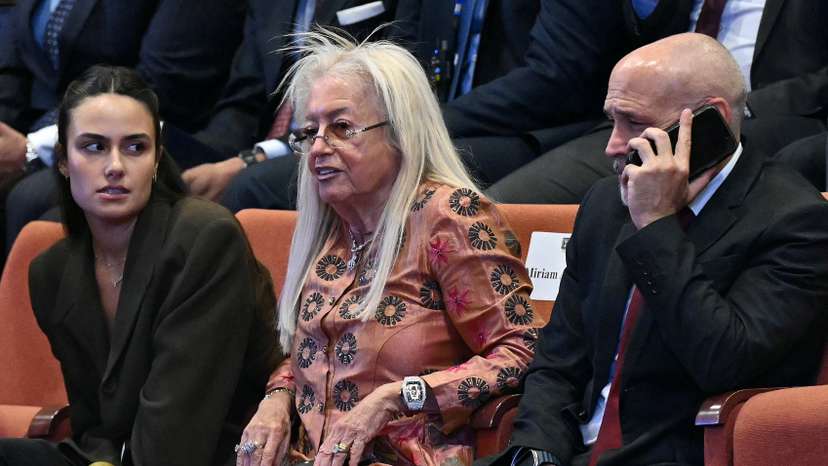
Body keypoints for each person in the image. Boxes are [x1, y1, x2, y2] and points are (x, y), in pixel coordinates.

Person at [477, 33, 828, 466]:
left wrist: (657, 225)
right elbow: (559, 357)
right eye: (611, 121)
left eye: (635, 124)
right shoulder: (607, 201)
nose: (612, 145)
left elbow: (724, 362)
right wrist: (538, 449)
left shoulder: (795, 220)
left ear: (707, 121)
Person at [234, 30, 540, 466]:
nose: (318, 147)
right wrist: (278, 397)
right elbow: (308, 351)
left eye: (341, 128)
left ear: (399, 132)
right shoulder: (329, 224)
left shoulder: (450, 216)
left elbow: (524, 349)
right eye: (309, 132)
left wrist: (398, 397)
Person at [0, 66, 281, 466]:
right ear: (63, 161)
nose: (115, 165)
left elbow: (178, 434)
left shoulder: (205, 238)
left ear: (156, 159)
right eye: (93, 147)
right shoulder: (51, 271)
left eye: (134, 147)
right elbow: (95, 426)